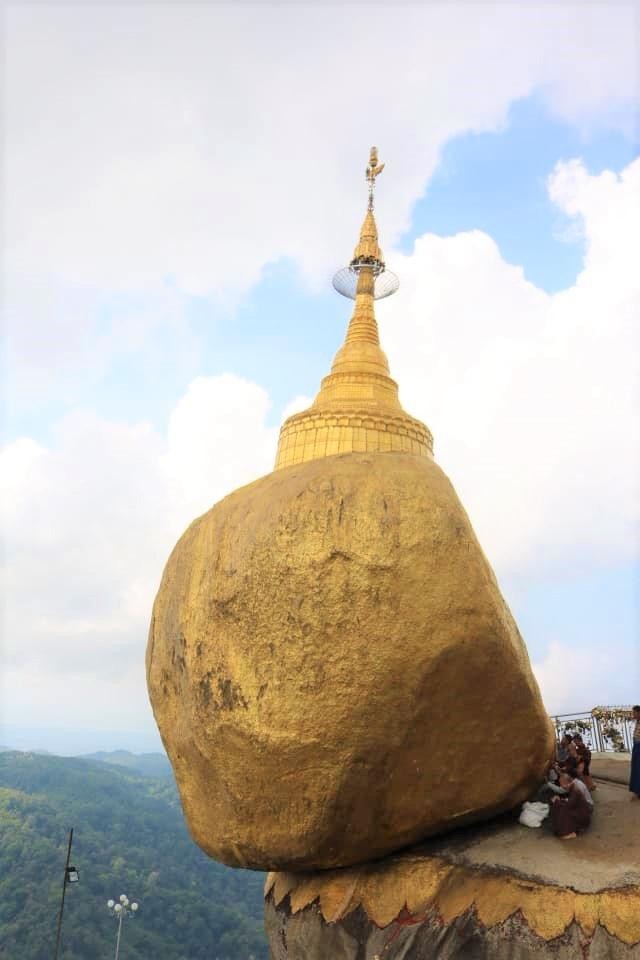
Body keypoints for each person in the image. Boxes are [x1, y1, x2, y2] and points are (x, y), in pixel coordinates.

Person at [550, 770, 593, 839]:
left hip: (584, 812)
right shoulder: (573, 785)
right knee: (560, 805)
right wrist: (560, 800)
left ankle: (572, 832)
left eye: (562, 784)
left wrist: (557, 801)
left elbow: (569, 805)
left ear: (567, 783)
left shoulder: (576, 789)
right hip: (581, 808)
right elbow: (571, 801)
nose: (561, 786)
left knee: (562, 810)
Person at [630, 705, 640, 800]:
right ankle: (637, 791)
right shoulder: (637, 722)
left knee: (638, 769)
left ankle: (637, 792)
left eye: (634, 713)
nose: (633, 714)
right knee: (636, 769)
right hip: (636, 747)